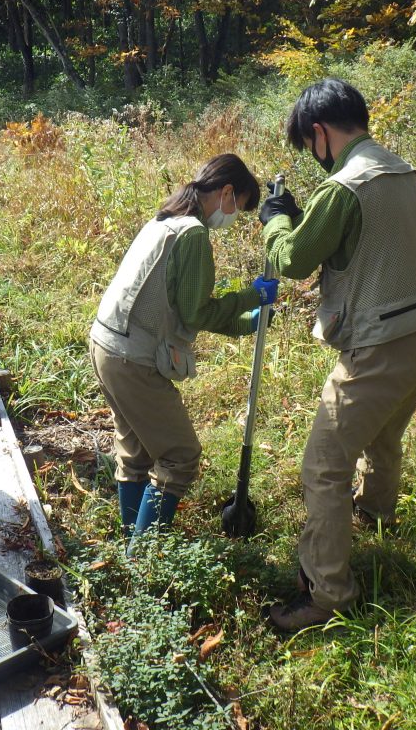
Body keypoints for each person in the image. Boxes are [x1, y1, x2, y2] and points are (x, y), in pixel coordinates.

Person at [258, 78, 416, 632]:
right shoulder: (400, 168)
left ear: (319, 133)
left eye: (308, 145)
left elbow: (291, 260)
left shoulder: (343, 188)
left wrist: (275, 219)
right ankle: (374, 513)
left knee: (324, 465)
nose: (312, 158)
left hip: (380, 344)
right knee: (384, 433)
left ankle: (328, 594)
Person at [89, 154, 277, 550]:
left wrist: (247, 322)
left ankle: (131, 551)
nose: (234, 217)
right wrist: (250, 297)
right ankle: (145, 561)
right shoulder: (193, 234)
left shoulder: (165, 220)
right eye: (239, 208)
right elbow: (198, 311)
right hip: (131, 359)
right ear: (226, 192)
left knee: (136, 454)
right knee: (180, 456)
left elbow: (183, 309)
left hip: (105, 346)